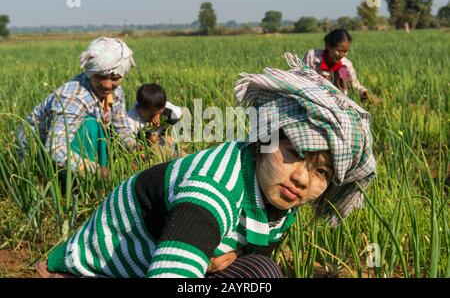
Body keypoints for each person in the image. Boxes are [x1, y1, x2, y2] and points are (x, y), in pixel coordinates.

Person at [35, 53, 376, 278]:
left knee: (262, 271)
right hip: (102, 269)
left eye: (322, 172)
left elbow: (250, 252)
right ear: (266, 138)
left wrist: (236, 250)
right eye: (295, 152)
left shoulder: (277, 194)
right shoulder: (213, 186)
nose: (302, 177)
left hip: (151, 262)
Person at [18, 37, 136, 177]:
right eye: (100, 76)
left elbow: (121, 129)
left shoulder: (116, 93)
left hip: (71, 152)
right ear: (90, 72)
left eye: (115, 79)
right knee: (90, 126)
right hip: (40, 158)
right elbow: (56, 149)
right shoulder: (73, 97)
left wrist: (136, 149)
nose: (107, 85)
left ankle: (96, 175)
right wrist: (98, 172)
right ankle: (84, 182)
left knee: (100, 130)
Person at [302, 28, 369, 100]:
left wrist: (363, 93)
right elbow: (302, 77)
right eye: (339, 51)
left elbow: (355, 85)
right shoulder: (312, 56)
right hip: (312, 98)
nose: (342, 55)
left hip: (337, 102)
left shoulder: (346, 65)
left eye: (345, 51)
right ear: (328, 46)